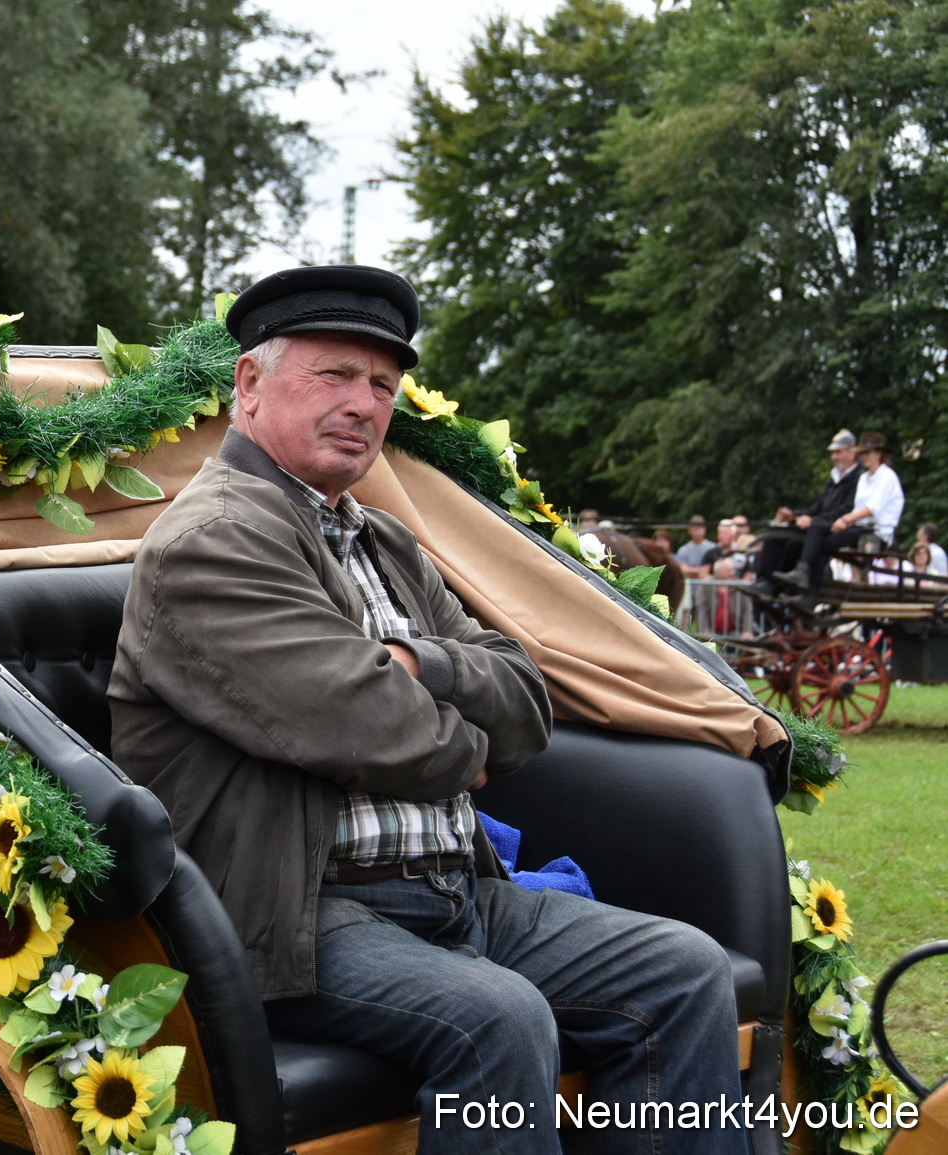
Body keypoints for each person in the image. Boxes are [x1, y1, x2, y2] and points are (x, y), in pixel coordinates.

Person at [108, 265, 744, 1155]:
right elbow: (368, 725)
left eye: (382, 384)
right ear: (249, 384)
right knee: (500, 1017)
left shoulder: (385, 538)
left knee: (683, 969)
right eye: (333, 375)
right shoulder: (213, 537)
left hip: (454, 892)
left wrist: (425, 662)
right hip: (295, 915)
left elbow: (527, 694)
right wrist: (461, 736)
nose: (364, 404)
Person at [751, 430, 862, 594]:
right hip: (820, 524)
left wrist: (813, 521)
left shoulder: (859, 479)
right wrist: (795, 515)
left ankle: (776, 585)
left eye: (838, 453)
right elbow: (818, 507)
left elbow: (847, 509)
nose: (834, 457)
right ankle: (766, 579)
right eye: (833, 453)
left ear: (851, 452)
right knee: (775, 533)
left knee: (793, 543)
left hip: (836, 527)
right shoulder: (835, 478)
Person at [797, 432, 905, 595]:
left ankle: (809, 589)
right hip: (859, 529)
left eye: (867, 453)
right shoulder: (864, 478)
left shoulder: (887, 477)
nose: (864, 457)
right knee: (818, 533)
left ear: (879, 453)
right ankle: (804, 579)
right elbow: (857, 508)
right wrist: (842, 523)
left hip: (876, 535)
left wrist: (846, 520)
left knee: (823, 543)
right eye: (861, 453)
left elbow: (871, 508)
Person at [674, 514, 719, 579]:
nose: (698, 531)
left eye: (701, 527)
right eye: (695, 528)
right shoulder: (683, 550)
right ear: (689, 530)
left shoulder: (714, 548)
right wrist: (704, 571)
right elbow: (683, 570)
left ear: (705, 529)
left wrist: (692, 571)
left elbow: (717, 569)